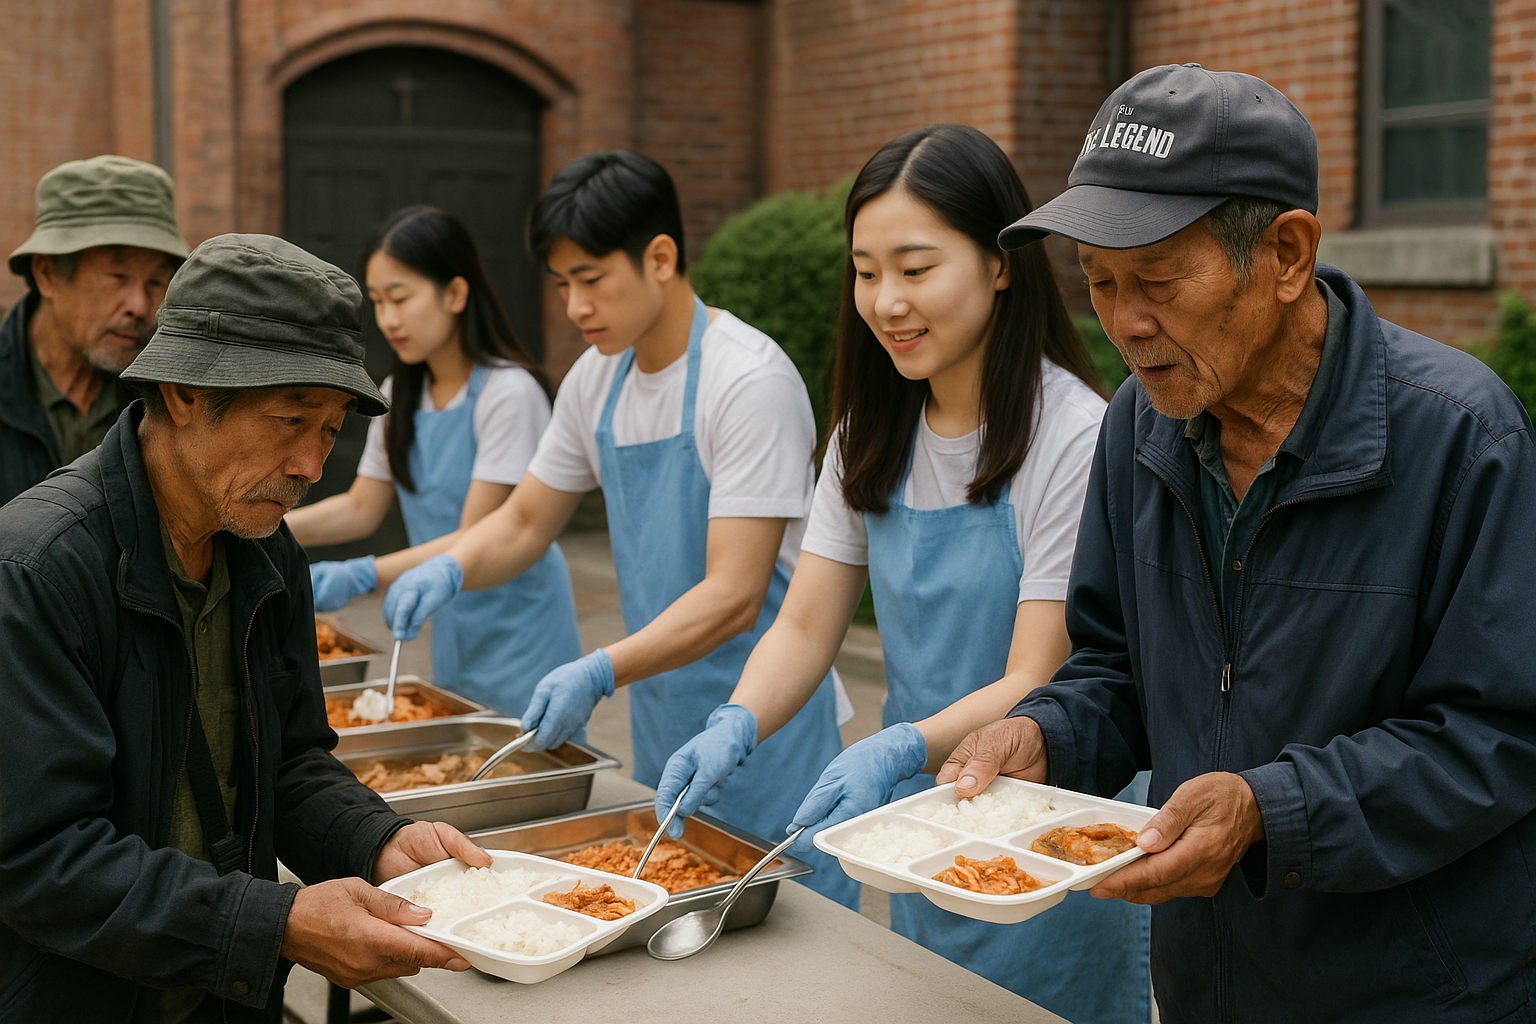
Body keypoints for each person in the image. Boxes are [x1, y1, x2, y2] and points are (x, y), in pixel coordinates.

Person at [939, 63, 1536, 1023]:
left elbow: (1499, 737)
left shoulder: (1465, 438)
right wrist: (1046, 735)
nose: (1127, 326)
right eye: (1099, 283)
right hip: (1208, 982)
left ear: (1288, 255)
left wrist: (1272, 811)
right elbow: (1119, 668)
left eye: (1160, 281)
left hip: (1418, 992)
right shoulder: (1140, 424)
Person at [654, 124, 1150, 1023]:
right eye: (866, 270)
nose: (886, 301)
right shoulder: (869, 435)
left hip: (1048, 828)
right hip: (924, 827)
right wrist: (737, 720)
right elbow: (806, 625)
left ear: (1001, 264)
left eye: (916, 269)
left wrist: (895, 746)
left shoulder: (1074, 436)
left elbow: (1037, 676)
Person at [0, 234, 492, 1024]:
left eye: (330, 430)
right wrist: (278, 922)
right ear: (186, 392)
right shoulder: (39, 570)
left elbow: (290, 758)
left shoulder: (267, 551)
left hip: (224, 993)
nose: (310, 464)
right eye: (290, 419)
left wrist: (376, 840)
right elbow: (41, 859)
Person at [379, 151, 858, 907]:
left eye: (592, 279)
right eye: (562, 283)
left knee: (791, 949)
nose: (573, 306)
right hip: (666, 714)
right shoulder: (595, 380)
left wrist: (599, 669)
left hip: (767, 727)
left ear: (660, 257)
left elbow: (734, 593)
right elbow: (528, 519)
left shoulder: (747, 381)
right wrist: (453, 567)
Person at [286, 206, 580, 714]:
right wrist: (274, 526)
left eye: (400, 298)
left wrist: (364, 574)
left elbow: (477, 533)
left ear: (456, 294)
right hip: (449, 615)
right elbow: (362, 506)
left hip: (521, 626)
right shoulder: (398, 393)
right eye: (378, 302)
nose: (388, 319)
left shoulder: (508, 395)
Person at [0, 154, 188, 506]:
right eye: (117, 277)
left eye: (156, 280)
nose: (140, 306)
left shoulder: (170, 400)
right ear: (48, 274)